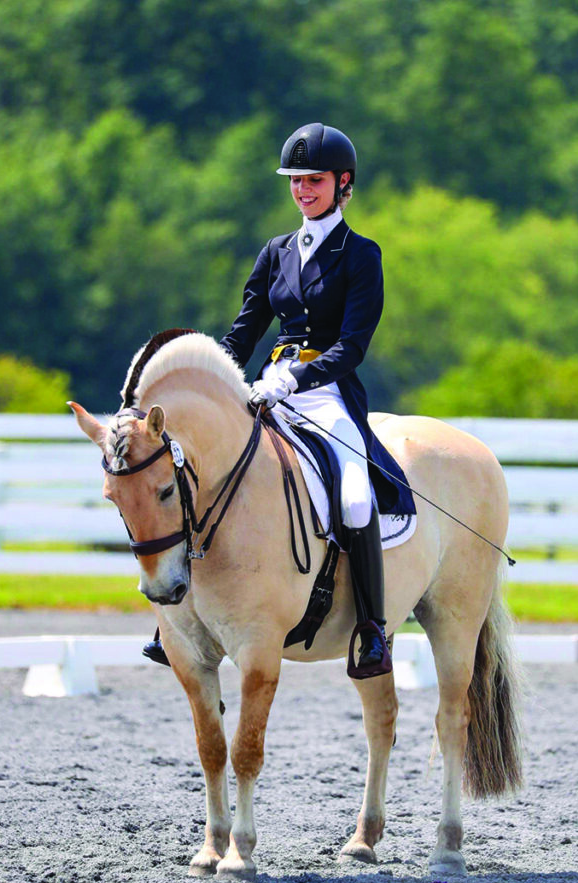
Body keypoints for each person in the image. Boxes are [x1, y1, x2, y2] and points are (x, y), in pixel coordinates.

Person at [144, 122, 415, 677]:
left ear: (343, 184)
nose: (303, 190)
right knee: (200, 471)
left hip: (326, 393)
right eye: (295, 181)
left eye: (314, 180)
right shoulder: (276, 252)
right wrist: (210, 377)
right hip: (263, 388)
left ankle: (369, 629)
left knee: (356, 493)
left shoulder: (361, 255)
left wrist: (296, 378)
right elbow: (244, 332)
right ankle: (176, 616)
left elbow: (352, 345)